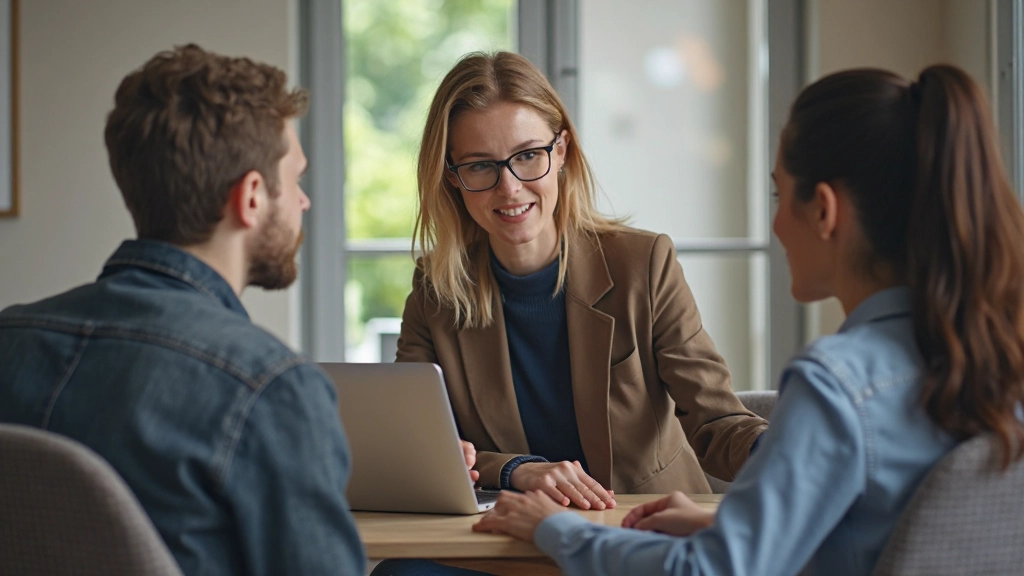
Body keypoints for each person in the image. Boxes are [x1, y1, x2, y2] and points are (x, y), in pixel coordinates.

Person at [471, 64, 1024, 575]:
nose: (776, 224)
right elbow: (885, 529)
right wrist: (732, 523)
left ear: (824, 211)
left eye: (779, 194)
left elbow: (708, 571)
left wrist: (555, 528)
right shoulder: (990, 356)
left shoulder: (836, 383)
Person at [0, 45, 365, 575]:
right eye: (298, 180)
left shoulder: (9, 339)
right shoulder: (270, 388)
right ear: (253, 196)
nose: (304, 202)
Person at [396, 50, 768, 511]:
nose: (509, 187)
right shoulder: (435, 292)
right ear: (451, 177)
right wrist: (517, 469)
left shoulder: (644, 264)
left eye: (528, 155)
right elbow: (421, 450)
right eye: (480, 165)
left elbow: (716, 421)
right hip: (505, 536)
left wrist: (783, 451)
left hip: (640, 526)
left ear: (562, 152)